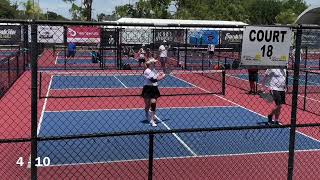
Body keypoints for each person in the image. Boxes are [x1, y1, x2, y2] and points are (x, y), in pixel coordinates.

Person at [141, 57, 166, 127]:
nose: (155, 63)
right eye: (154, 62)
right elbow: (153, 80)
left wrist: (159, 74)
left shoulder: (153, 70)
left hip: (154, 88)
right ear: (150, 64)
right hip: (147, 88)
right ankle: (146, 114)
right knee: (147, 105)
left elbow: (155, 76)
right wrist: (162, 77)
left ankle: (152, 119)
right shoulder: (147, 71)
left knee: (153, 103)